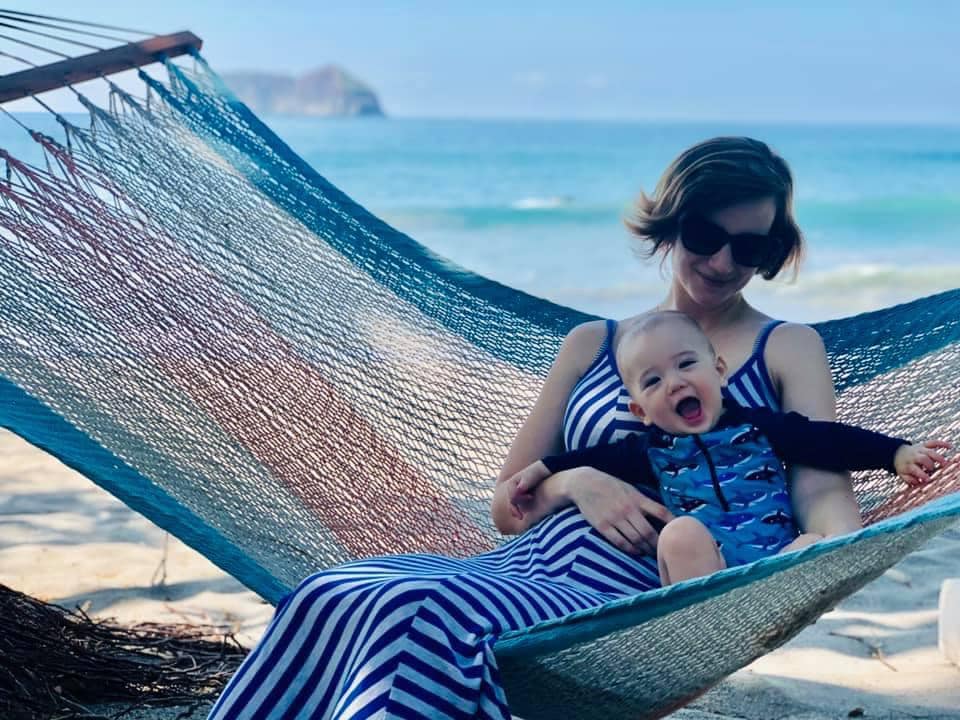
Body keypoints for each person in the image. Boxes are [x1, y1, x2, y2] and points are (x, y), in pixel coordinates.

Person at [209, 136, 869, 720]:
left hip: (625, 601)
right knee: (334, 591)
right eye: (704, 236)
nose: (724, 262)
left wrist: (807, 564)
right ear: (672, 226)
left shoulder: (785, 348)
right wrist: (580, 482)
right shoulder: (592, 343)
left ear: (773, 252)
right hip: (521, 564)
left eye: (751, 246)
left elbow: (825, 501)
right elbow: (507, 505)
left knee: (419, 612)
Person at [506, 310, 953, 585]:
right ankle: (701, 619)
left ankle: (754, 606)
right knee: (680, 535)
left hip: (771, 563)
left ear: (719, 371)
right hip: (702, 572)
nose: (675, 382)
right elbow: (588, 460)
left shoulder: (760, 427)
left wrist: (894, 454)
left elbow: (826, 440)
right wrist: (546, 468)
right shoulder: (646, 452)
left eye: (686, 364)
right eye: (654, 381)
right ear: (641, 412)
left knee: (813, 545)